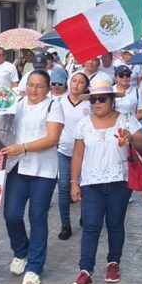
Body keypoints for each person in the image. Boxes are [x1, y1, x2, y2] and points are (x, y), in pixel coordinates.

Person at [68, 77, 142, 284]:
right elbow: (77, 153)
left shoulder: (127, 120)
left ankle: (114, 262)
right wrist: (74, 182)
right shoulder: (83, 123)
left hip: (119, 182)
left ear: (112, 100)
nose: (96, 103)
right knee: (91, 226)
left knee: (115, 224)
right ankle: (85, 270)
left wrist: (131, 136)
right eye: (93, 100)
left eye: (101, 99)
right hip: (91, 183)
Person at [0, 70, 63, 284]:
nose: (34, 90)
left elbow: (52, 138)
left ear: (47, 88)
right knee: (11, 215)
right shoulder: (16, 103)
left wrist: (22, 148)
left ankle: (35, 266)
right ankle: (20, 251)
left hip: (43, 171)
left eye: (39, 86)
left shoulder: (54, 106)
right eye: (31, 85)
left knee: (37, 217)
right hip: (17, 167)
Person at [55, 72, 90, 240]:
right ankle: (65, 224)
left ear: (86, 86)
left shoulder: (90, 103)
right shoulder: (59, 101)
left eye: (81, 82)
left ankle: (85, 216)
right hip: (63, 150)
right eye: (74, 81)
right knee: (63, 187)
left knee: (84, 186)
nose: (76, 84)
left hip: (85, 152)